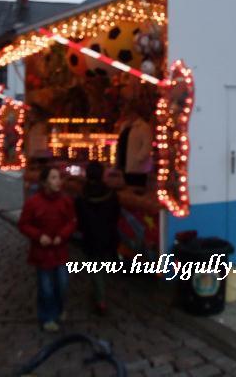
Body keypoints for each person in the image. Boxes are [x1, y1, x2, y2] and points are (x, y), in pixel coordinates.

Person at [18, 166, 77, 332]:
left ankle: (59, 309)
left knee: (62, 284)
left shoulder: (66, 201)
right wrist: (38, 236)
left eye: (59, 178)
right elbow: (23, 224)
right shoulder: (33, 203)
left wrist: (62, 235)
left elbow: (72, 221)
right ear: (44, 182)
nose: (58, 181)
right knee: (46, 288)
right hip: (42, 253)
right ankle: (47, 317)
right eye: (53, 178)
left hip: (60, 251)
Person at [74, 161, 121, 315]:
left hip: (90, 237)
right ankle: (99, 293)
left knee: (95, 267)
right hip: (108, 236)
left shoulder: (82, 195)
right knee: (102, 265)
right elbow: (116, 215)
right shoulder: (111, 194)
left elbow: (79, 219)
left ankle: (100, 298)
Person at [116, 103, 153, 187]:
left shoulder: (144, 127)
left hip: (137, 167)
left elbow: (147, 145)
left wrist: (139, 158)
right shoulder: (124, 126)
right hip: (125, 164)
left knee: (136, 187)